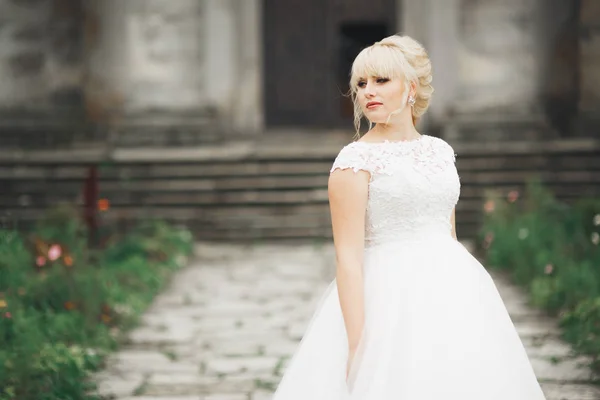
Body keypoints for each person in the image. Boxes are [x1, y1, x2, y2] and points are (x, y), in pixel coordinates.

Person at [271, 34, 547, 399]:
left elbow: (447, 232)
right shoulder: (354, 163)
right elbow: (348, 260)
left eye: (381, 81)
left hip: (456, 291)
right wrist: (357, 345)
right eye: (362, 83)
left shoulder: (440, 152)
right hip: (388, 298)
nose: (369, 91)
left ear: (411, 88)